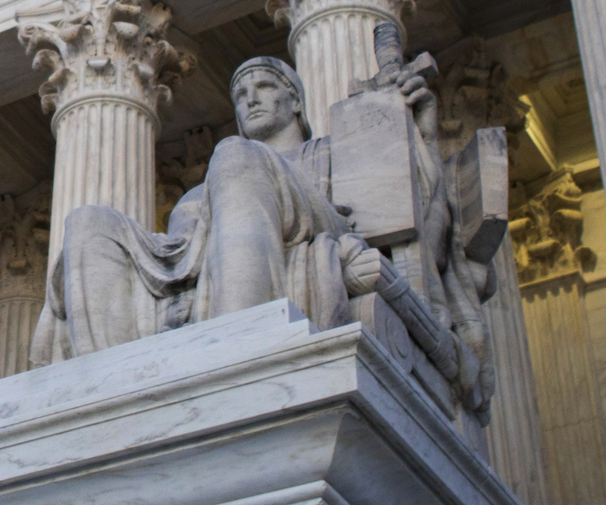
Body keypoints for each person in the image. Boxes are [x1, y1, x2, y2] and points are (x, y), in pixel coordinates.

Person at [31, 55, 403, 365]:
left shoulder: (328, 153)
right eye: (240, 95)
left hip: (317, 226)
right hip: (199, 254)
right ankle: (111, 381)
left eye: (265, 87)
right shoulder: (205, 188)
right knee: (88, 221)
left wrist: (414, 127)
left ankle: (238, 350)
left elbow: (379, 226)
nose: (250, 100)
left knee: (236, 154)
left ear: (296, 101)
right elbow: (181, 252)